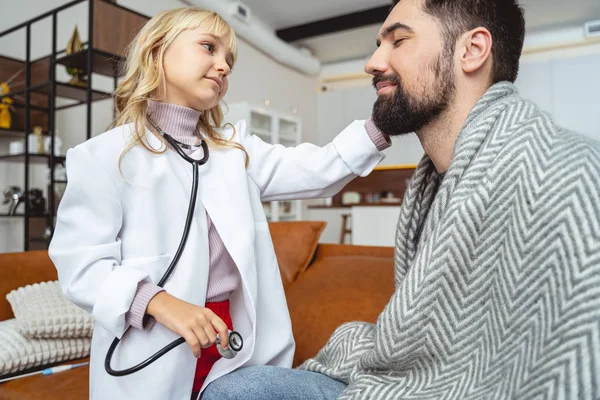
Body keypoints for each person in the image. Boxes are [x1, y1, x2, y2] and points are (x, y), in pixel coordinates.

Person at [202, 0, 600, 399]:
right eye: (379, 44)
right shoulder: (436, 184)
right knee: (233, 388)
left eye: (398, 40)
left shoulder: (569, 173)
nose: (373, 62)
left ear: (472, 50)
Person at [48, 7, 391, 400]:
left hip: (230, 335)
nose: (223, 66)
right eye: (209, 48)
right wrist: (158, 301)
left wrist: (386, 123)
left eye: (229, 60)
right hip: (152, 333)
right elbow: (82, 266)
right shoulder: (102, 157)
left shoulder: (234, 150)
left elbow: (318, 169)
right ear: (154, 49)